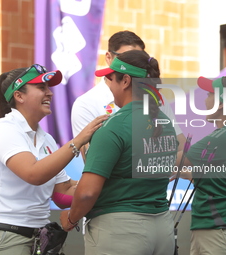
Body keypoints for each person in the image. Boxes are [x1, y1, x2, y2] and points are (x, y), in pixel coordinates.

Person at [0, 64, 108, 255]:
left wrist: (104, 182)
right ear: (19, 96)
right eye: (41, 88)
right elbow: (33, 173)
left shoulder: (47, 139)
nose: (50, 93)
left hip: (40, 239)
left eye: (48, 88)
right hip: (4, 237)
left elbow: (62, 193)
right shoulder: (5, 129)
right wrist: (78, 140)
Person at [60, 50, 177, 255]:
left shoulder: (113, 126)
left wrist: (71, 218)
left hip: (120, 230)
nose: (109, 84)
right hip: (162, 226)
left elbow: (88, 192)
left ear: (125, 81)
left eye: (110, 78)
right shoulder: (165, 123)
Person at [71, 30, 185, 161]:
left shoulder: (156, 98)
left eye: (138, 58)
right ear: (108, 58)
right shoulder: (86, 103)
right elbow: (91, 161)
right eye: (125, 58)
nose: (132, 64)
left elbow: (181, 145)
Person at [178, 76, 226, 255]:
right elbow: (222, 184)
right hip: (222, 234)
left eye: (209, 94)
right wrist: (188, 175)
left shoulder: (225, 136)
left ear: (221, 104)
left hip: (223, 235)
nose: (205, 100)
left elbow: (172, 160)